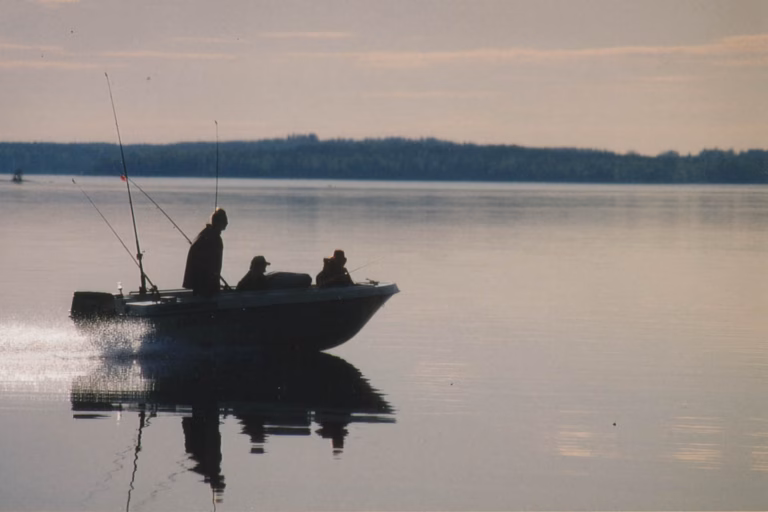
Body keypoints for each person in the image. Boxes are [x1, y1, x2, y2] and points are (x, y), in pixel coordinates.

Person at [183, 208, 228, 296]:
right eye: (225, 220)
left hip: (198, 282)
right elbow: (214, 264)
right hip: (206, 283)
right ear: (219, 222)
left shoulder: (204, 233)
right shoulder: (214, 238)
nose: (227, 223)